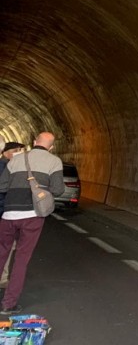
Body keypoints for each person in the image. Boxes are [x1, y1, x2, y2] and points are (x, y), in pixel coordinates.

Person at [0, 133, 63, 313]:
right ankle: (8, 304)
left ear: (34, 143)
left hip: (9, 214)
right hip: (32, 215)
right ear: (51, 147)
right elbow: (58, 190)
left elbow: (2, 186)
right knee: (21, 259)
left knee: (1, 254)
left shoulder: (16, 160)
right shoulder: (54, 161)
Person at [0, 143, 24, 288]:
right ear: (6, 152)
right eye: (16, 151)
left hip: (6, 213)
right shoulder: (5, 167)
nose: (18, 153)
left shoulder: (9, 166)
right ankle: (2, 279)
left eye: (20, 151)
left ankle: (3, 278)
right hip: (4, 213)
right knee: (6, 246)